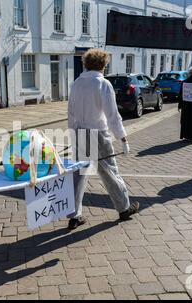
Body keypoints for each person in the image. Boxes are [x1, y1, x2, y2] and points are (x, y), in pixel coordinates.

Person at [67, 48, 139, 230]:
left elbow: (71, 113)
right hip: (98, 133)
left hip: (80, 132)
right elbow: (112, 115)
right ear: (103, 64)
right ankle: (123, 208)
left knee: (79, 174)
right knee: (109, 172)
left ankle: (74, 215)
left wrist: (74, 133)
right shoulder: (103, 84)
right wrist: (122, 138)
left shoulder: (76, 84)